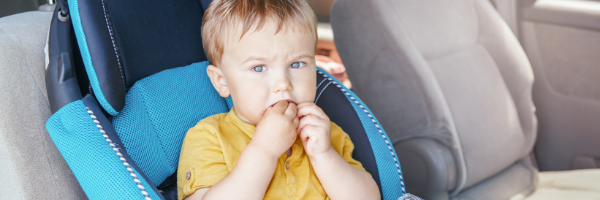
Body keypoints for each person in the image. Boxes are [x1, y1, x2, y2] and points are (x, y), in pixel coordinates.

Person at [177, 0, 380, 199]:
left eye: (297, 64)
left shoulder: (326, 133)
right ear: (222, 81)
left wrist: (325, 155)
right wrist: (264, 150)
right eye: (258, 68)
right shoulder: (210, 136)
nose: (283, 83)